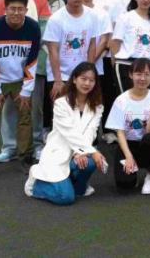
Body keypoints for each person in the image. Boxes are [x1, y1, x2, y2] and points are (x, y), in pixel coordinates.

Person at [0, 0, 41, 179]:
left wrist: (27, 89)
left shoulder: (32, 28)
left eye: (20, 9)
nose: (16, 13)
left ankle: (26, 156)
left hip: (20, 79)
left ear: (26, 10)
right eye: (12, 9)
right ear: (5, 10)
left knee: (25, 117)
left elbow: (32, 60)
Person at [25, 62, 105, 205]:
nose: (87, 83)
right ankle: (35, 186)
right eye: (83, 78)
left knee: (90, 163)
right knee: (66, 198)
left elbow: (91, 132)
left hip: (78, 152)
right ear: (74, 79)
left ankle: (77, 188)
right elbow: (69, 132)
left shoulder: (97, 106)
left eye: (91, 80)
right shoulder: (61, 104)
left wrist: (81, 152)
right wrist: (90, 151)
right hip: (59, 152)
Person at [43, 0, 100, 139]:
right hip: (61, 75)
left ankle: (83, 144)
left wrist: (89, 74)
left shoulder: (92, 16)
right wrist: (57, 80)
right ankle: (55, 145)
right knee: (61, 114)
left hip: (81, 75)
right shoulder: (56, 19)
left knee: (82, 112)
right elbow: (52, 50)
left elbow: (92, 44)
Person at [104, 57, 150, 194]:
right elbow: (120, 132)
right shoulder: (121, 100)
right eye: (138, 74)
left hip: (146, 143)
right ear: (131, 75)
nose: (142, 78)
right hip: (127, 144)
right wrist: (129, 156)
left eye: (147, 74)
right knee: (124, 184)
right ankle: (132, 176)